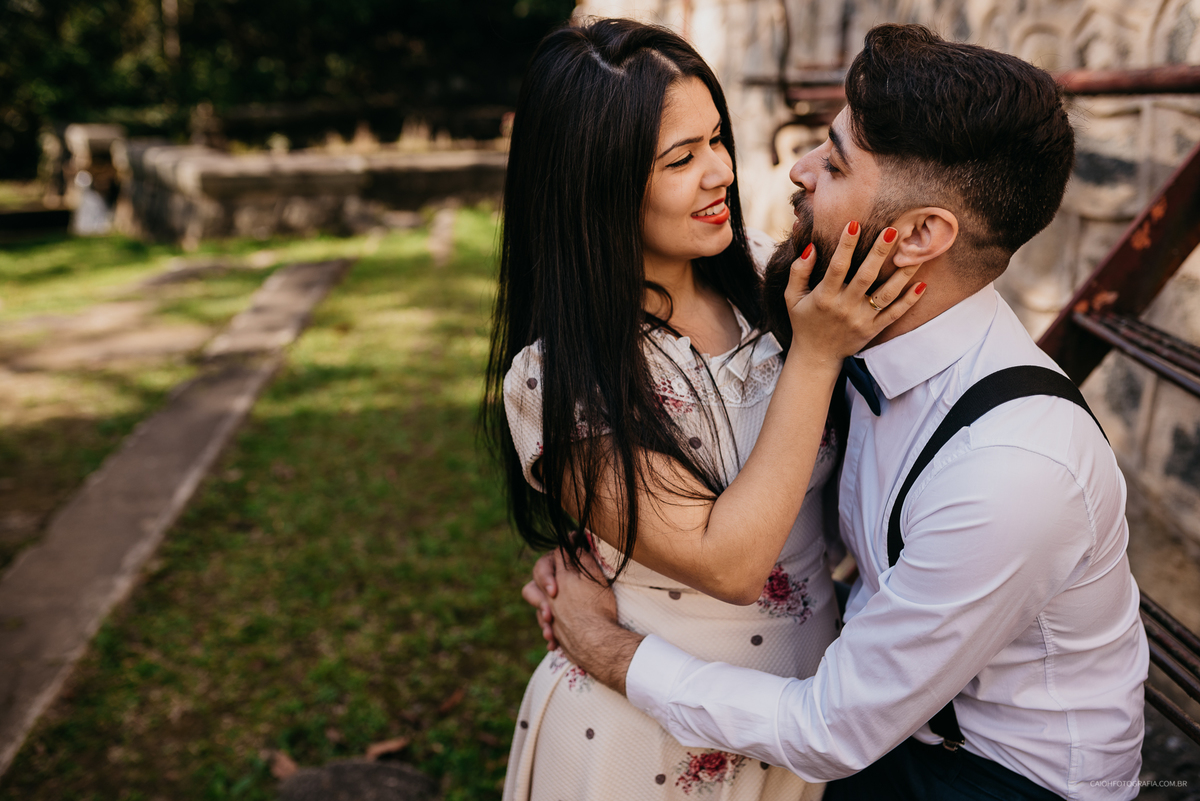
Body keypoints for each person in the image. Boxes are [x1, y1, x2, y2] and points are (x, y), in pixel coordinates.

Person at [525, 23, 1150, 800]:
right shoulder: (822, 311)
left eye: (834, 159)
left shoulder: (1009, 468)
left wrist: (607, 643)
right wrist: (607, 535)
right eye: (683, 156)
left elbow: (832, 723)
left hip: (987, 777)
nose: (794, 169)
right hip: (815, 724)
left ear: (922, 234)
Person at [484, 17, 925, 801]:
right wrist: (817, 353)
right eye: (681, 159)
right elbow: (728, 561)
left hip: (800, 717)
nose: (719, 171)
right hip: (645, 735)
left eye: (716, 140)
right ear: (596, 183)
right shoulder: (561, 379)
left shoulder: (770, 277)